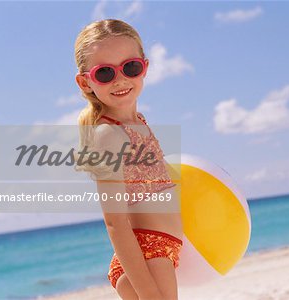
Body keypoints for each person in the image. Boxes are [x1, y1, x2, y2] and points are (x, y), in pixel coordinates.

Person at [74, 19, 182, 300]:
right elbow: (115, 223)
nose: (120, 79)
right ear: (86, 82)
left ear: (144, 66)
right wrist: (149, 293)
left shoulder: (139, 122)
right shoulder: (109, 135)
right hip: (146, 254)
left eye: (130, 67)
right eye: (105, 73)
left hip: (161, 250)